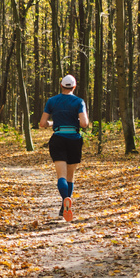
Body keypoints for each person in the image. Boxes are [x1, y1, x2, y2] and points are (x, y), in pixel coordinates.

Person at [39, 74, 89, 221]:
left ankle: (65, 199)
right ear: (74, 87)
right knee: (70, 176)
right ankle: (66, 205)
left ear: (61, 86)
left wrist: (53, 123)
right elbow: (84, 124)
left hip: (58, 138)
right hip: (74, 139)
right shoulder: (79, 102)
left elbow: (43, 123)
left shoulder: (52, 101)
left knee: (61, 175)